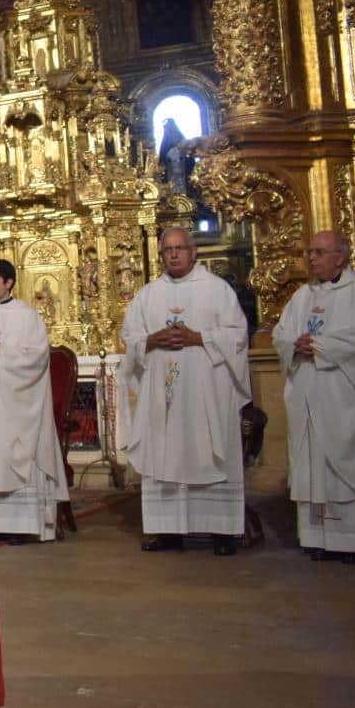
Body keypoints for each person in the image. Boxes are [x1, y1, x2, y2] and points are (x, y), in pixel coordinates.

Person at [118, 228, 250, 555]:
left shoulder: (217, 290)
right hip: (163, 394)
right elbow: (130, 336)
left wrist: (199, 337)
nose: (173, 255)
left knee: (206, 447)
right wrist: (151, 340)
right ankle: (168, 532)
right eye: (167, 250)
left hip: (207, 391)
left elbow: (237, 335)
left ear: (194, 252)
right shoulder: (147, 294)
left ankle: (222, 532)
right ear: (160, 255)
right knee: (166, 450)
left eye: (179, 248)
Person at [0, 259, 69, 541]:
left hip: (20, 406)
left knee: (18, 448)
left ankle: (24, 525)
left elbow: (37, 359)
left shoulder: (27, 317)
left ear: (9, 283)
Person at [272, 230, 355, 563]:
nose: (311, 258)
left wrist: (320, 345)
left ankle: (350, 540)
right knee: (310, 460)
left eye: (319, 252)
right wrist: (294, 344)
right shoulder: (302, 296)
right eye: (309, 252)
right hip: (306, 390)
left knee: (342, 459)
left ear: (340, 256)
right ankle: (314, 537)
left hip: (341, 394)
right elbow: (281, 333)